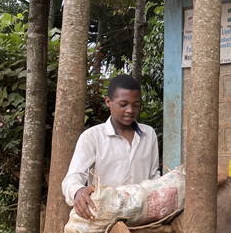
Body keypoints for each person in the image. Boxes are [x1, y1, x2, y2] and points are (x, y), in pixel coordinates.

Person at [62, 74, 160, 220]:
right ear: (108, 101)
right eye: (123, 104)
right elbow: (72, 177)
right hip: (103, 218)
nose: (130, 110)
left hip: (142, 218)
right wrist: (78, 191)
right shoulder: (92, 137)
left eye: (136, 105)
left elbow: (154, 176)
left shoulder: (149, 134)